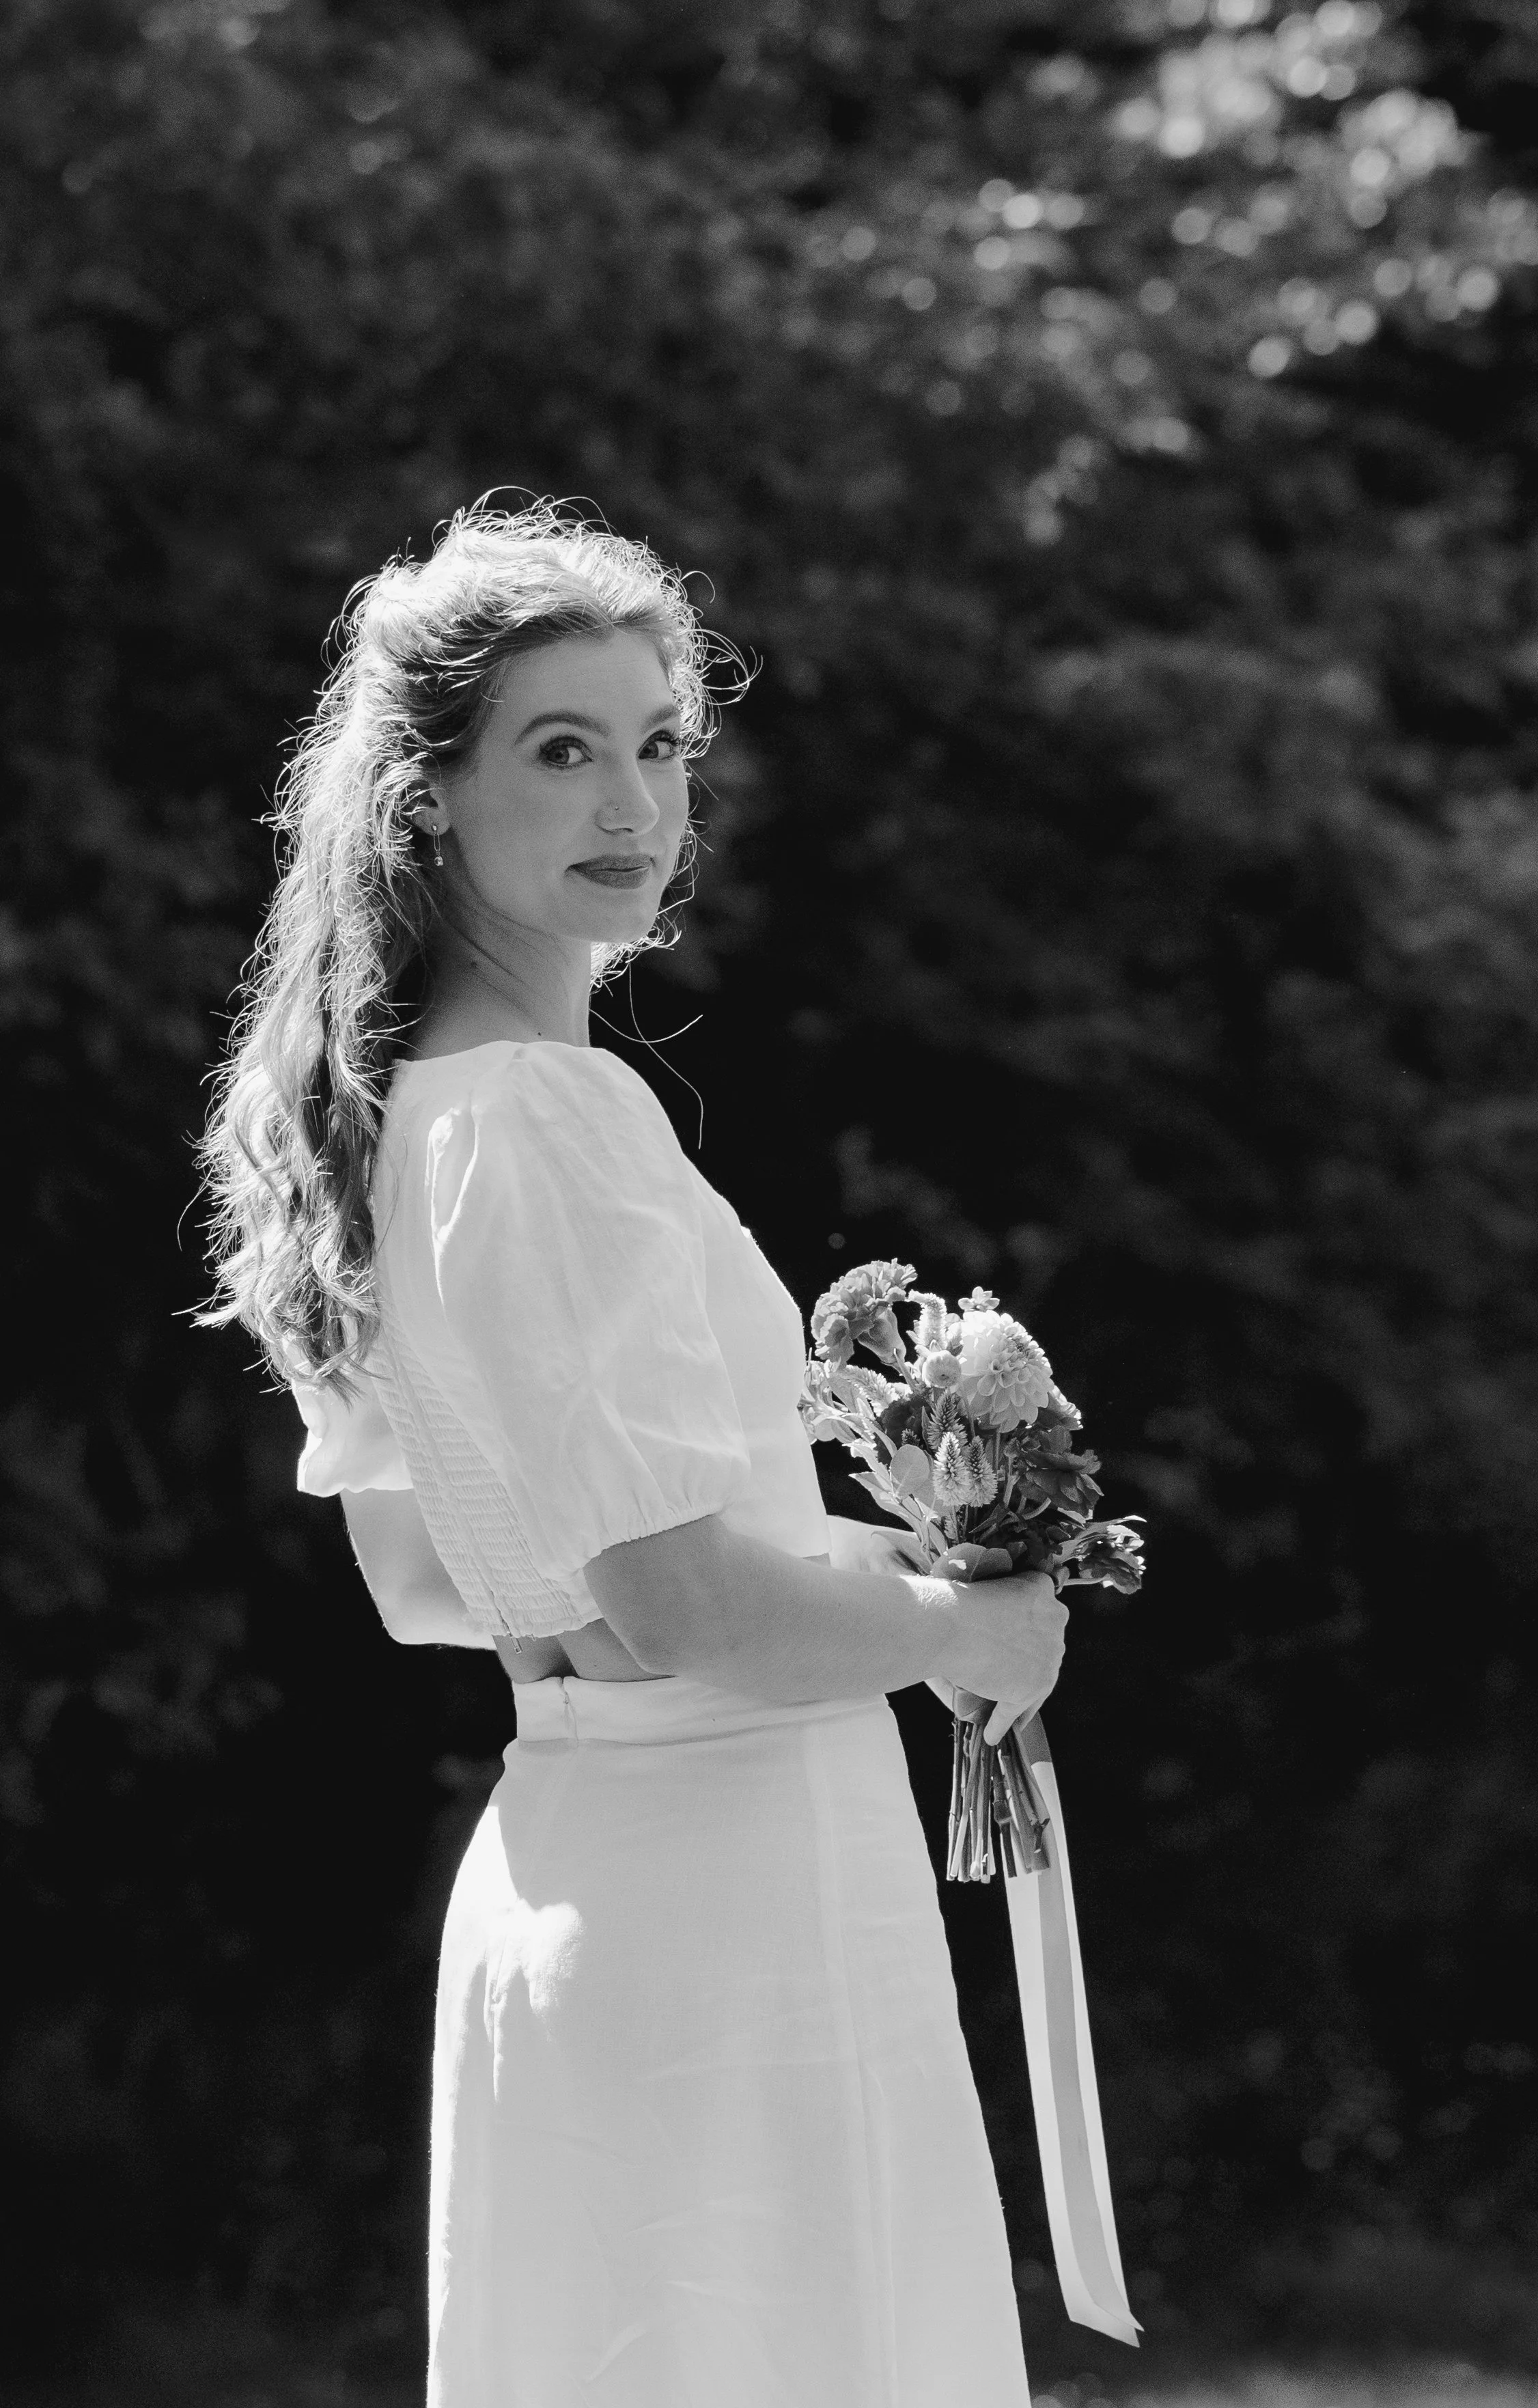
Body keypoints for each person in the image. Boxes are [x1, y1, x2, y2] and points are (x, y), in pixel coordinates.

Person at [199, 498, 1067, 2407]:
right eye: (561, 748)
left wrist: (892, 1566)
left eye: (660, 744)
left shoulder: (405, 1119)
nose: (636, 801)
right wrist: (955, 1621)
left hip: (576, 1878)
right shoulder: (545, 1118)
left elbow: (435, 1586)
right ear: (426, 795)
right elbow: (676, 1600)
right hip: (731, 1907)